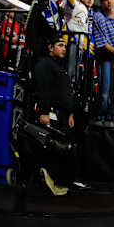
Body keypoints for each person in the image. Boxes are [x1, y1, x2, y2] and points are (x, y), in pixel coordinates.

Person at [34, 36, 74, 195]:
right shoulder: (45, 65)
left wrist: (70, 112)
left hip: (63, 114)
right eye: (60, 45)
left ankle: (55, 181)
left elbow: (64, 92)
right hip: (51, 113)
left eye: (65, 46)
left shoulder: (59, 66)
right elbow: (44, 90)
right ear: (51, 48)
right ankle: (48, 184)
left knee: (60, 149)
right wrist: (44, 112)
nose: (64, 48)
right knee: (51, 149)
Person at [60, 0, 96, 81]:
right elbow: (70, 0)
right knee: (69, 68)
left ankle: (70, 89)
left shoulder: (83, 7)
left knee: (74, 69)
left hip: (80, 41)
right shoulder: (68, 0)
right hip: (70, 39)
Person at [25, 0, 62, 64]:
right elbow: (32, 27)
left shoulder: (54, 7)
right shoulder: (36, 7)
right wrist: (34, 46)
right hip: (40, 43)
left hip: (52, 42)